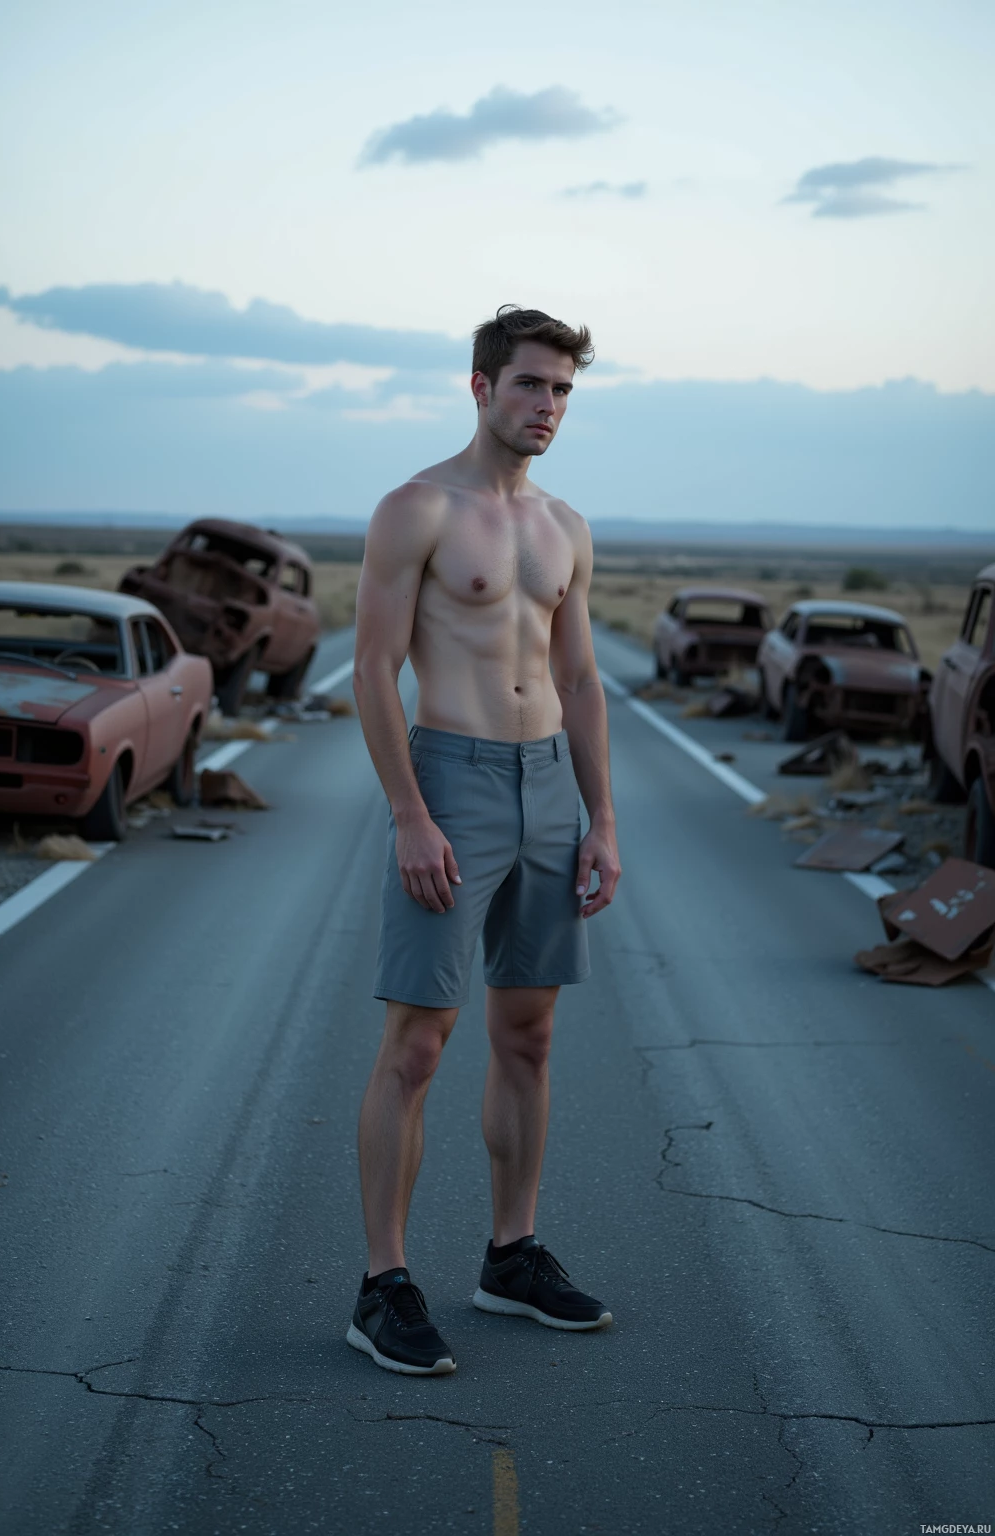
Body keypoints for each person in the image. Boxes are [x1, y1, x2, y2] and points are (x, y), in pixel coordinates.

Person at [348, 305, 621, 1375]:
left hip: (549, 785)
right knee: (418, 1044)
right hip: (451, 782)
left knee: (529, 1038)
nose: (548, 406)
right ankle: (382, 1287)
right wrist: (409, 812)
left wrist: (601, 820)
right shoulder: (415, 508)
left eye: (562, 390)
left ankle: (511, 1257)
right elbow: (373, 670)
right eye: (530, 385)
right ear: (480, 387)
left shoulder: (565, 526)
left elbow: (581, 680)